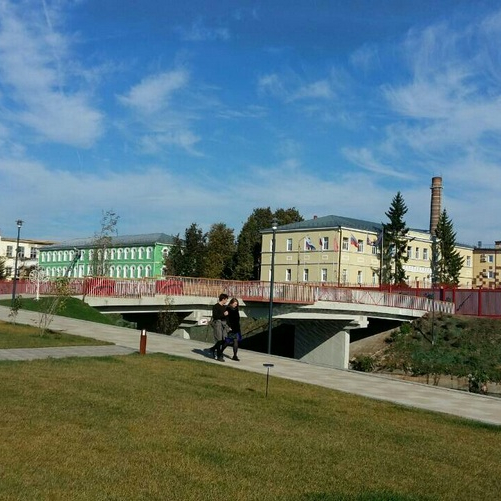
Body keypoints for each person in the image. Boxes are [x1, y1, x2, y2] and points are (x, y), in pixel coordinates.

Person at [209, 293, 229, 362]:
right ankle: (219, 355)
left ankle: (213, 349)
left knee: (225, 340)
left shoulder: (225, 307)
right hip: (218, 323)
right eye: (226, 300)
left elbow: (226, 317)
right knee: (219, 339)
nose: (226, 301)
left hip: (224, 324)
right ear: (223, 299)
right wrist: (223, 314)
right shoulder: (216, 306)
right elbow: (215, 316)